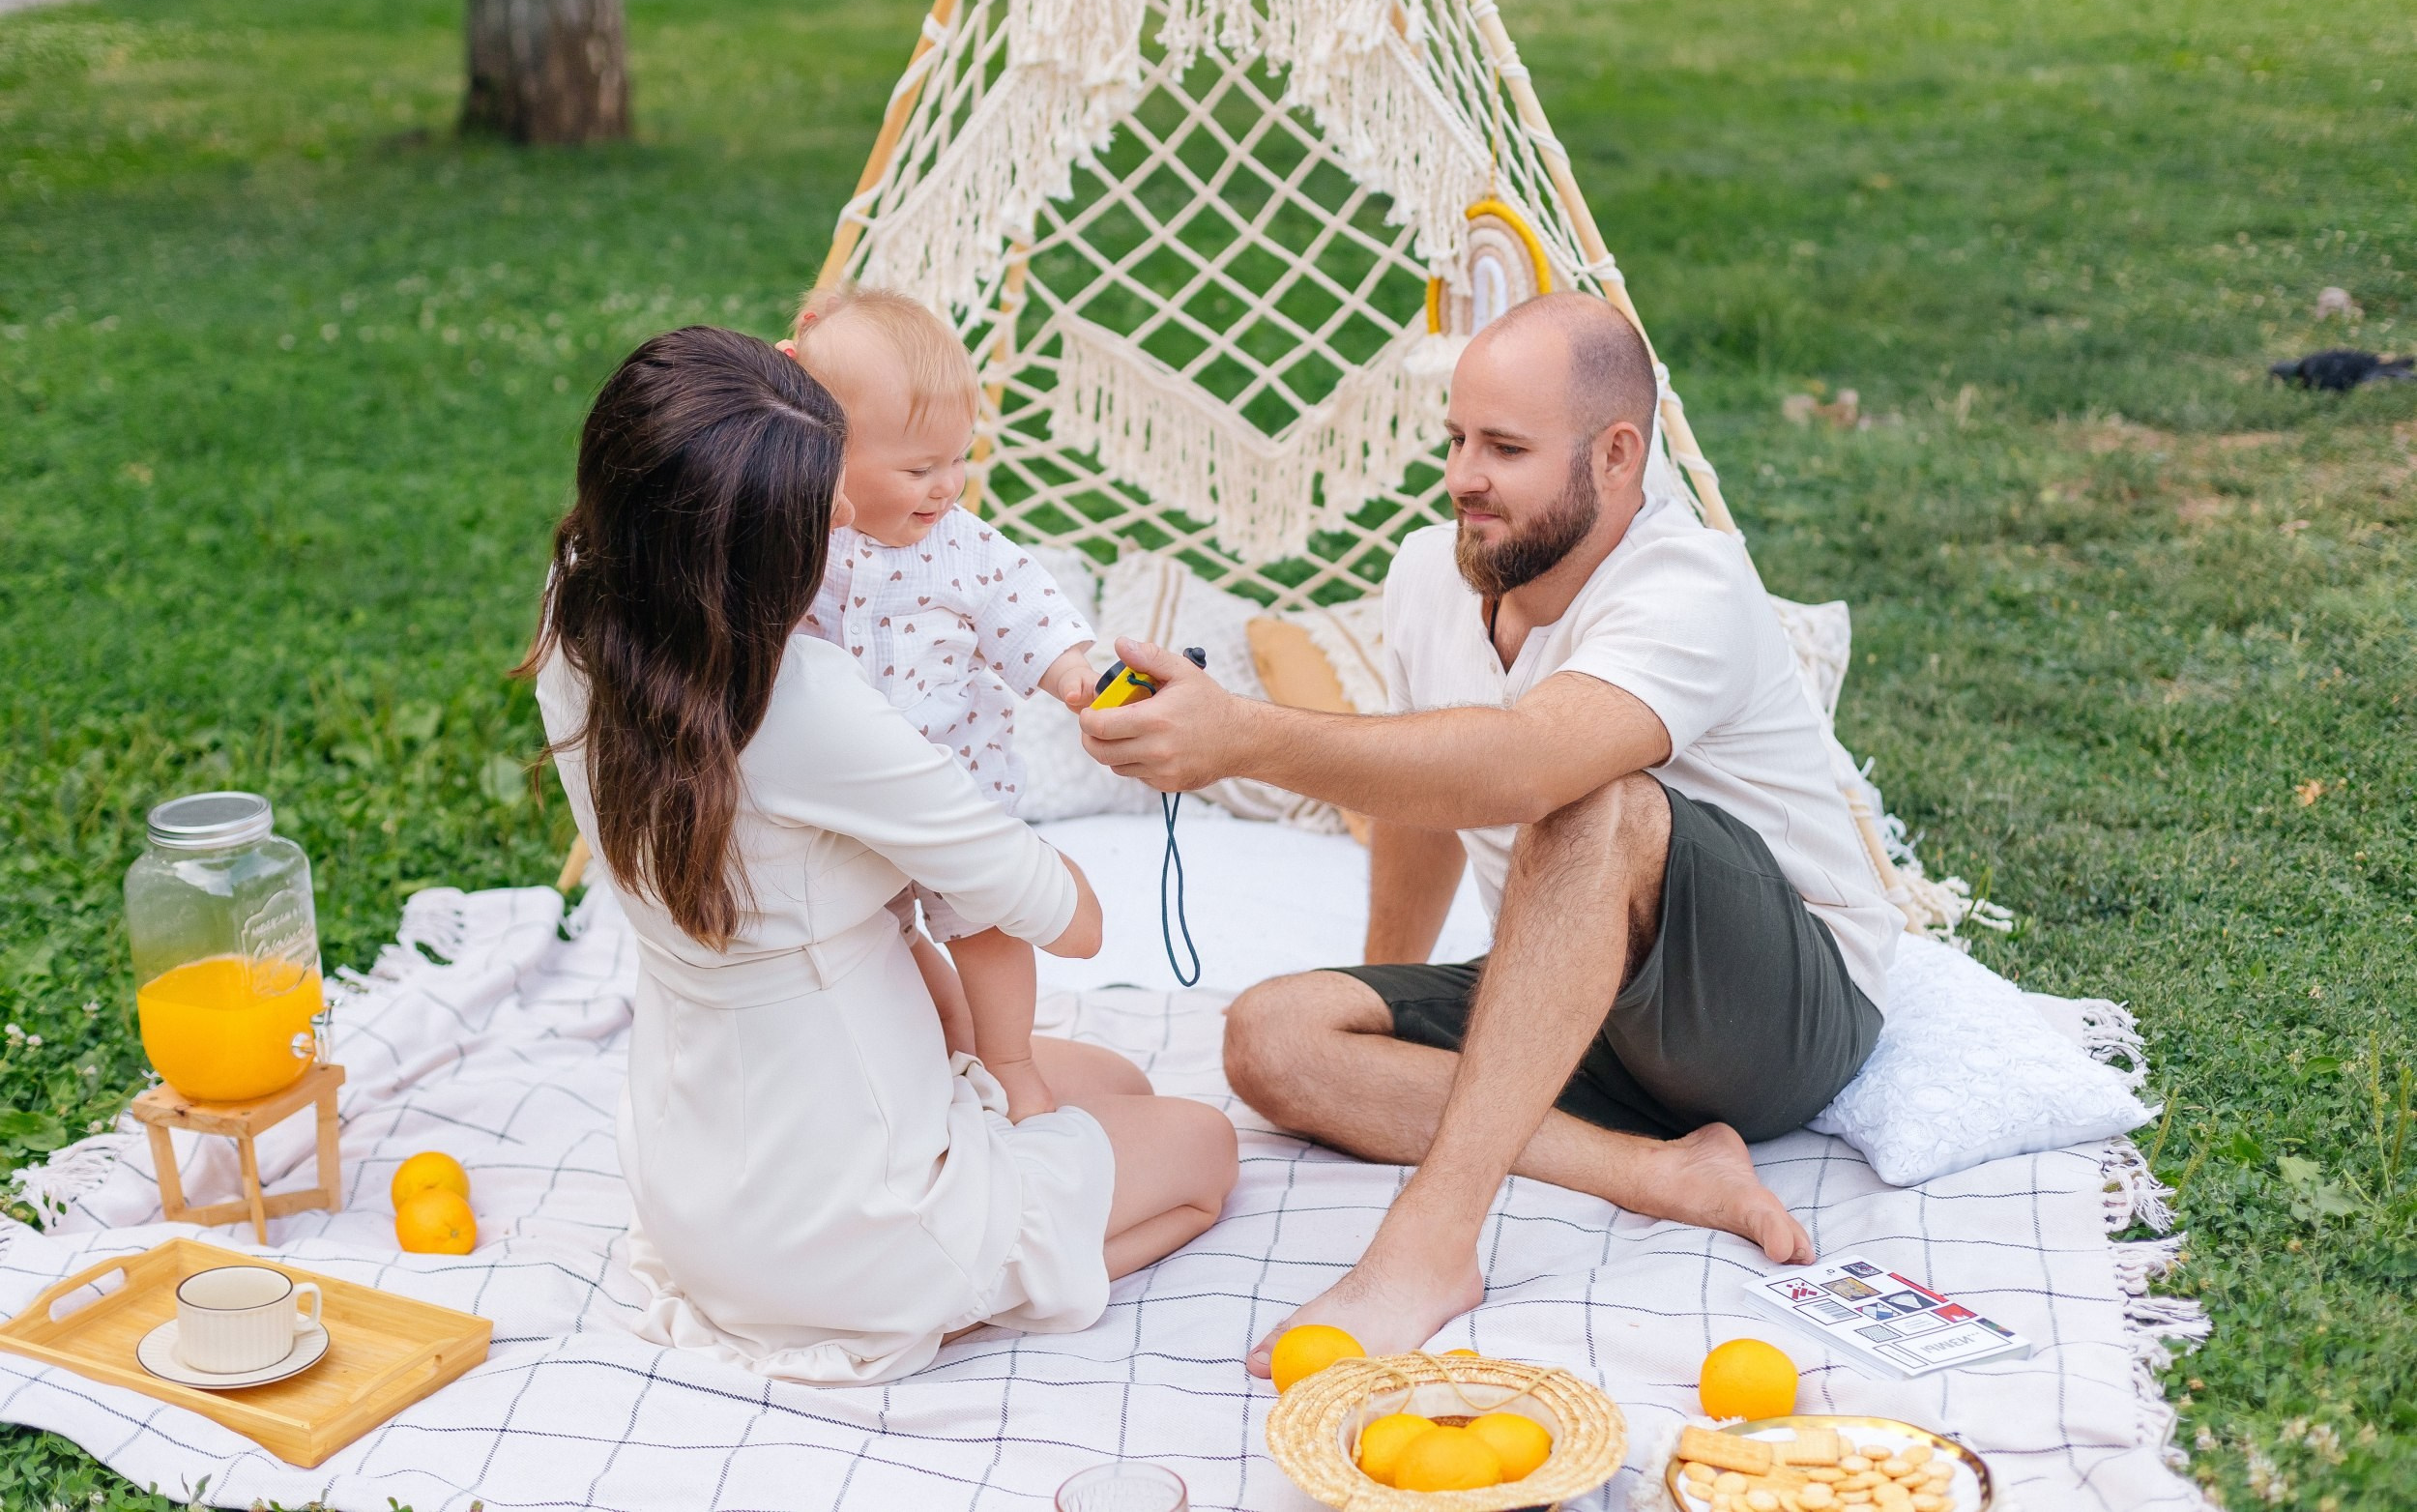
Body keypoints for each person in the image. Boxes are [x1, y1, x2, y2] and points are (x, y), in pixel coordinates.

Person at [1078, 293, 1897, 1373]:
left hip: (1778, 1011)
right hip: (1588, 1004)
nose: (1464, 474)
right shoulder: (1431, 572)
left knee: (1589, 791)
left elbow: (1525, 764)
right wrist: (1385, 995)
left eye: (1504, 448)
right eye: (1457, 439)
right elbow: (1431, 801)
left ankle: (1430, 1242)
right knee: (1273, 1033)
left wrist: (1238, 735)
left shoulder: (1689, 583)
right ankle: (1657, 1173)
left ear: (1615, 456)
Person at [524, 326, 1237, 1385]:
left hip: (701, 1174)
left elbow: (675, 450)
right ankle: (939, 1301)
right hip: (850, 1215)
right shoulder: (807, 704)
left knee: (1114, 1079)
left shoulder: (582, 604)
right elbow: (1065, 915)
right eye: (820, 512)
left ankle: (927, 1260)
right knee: (1205, 1153)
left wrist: (767, 395)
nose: (852, 517)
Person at [781, 284, 1096, 1124]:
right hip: (841, 807)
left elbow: (1026, 609)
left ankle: (1013, 1061)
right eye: (921, 469)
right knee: (880, 938)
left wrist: (1074, 678)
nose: (949, 486)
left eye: (959, 459)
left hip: (955, 790)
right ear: (823, 451)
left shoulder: (964, 551)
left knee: (987, 927)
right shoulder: (798, 540)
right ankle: (942, 1047)